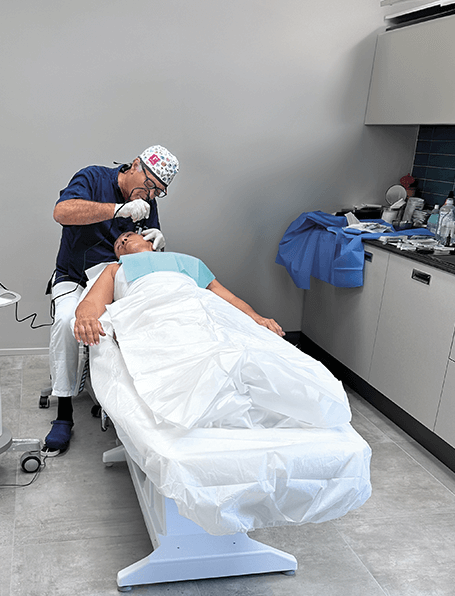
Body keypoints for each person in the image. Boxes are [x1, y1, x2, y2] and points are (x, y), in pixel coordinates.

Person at [74, 232, 351, 432]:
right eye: (118, 243)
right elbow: (92, 303)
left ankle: (248, 386)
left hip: (194, 305)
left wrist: (256, 318)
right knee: (178, 353)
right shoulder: (115, 269)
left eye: (128, 235)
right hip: (151, 311)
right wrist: (84, 317)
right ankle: (211, 393)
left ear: (150, 241)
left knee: (225, 341)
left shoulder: (188, 261)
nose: (122, 241)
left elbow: (226, 298)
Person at [44, 146, 179, 454]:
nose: (150, 195)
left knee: (128, 327)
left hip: (113, 279)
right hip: (75, 276)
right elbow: (62, 212)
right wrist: (118, 210)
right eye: (149, 185)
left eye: (158, 191)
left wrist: (156, 241)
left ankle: (127, 407)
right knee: (66, 322)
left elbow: (144, 250)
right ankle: (64, 413)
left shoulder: (146, 200)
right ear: (135, 165)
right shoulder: (93, 178)